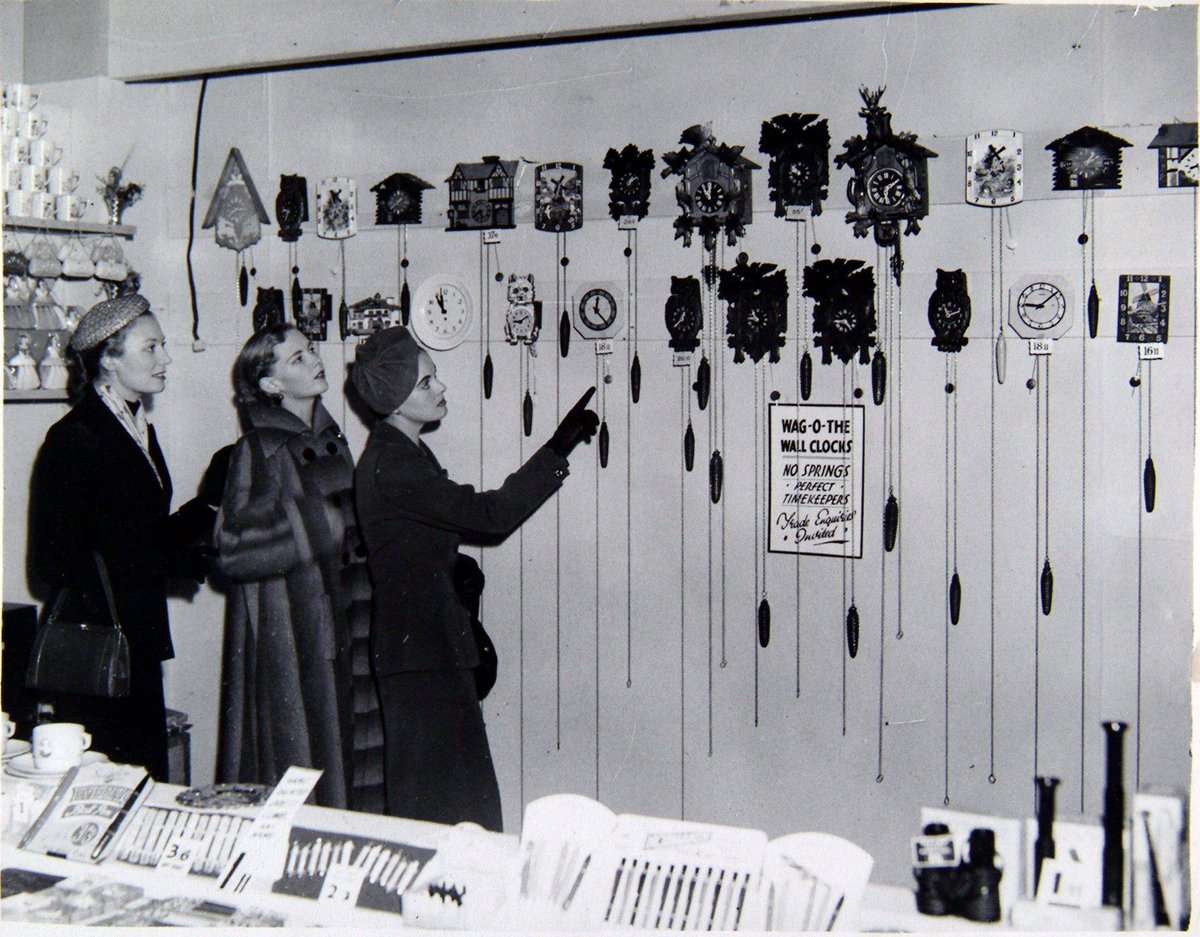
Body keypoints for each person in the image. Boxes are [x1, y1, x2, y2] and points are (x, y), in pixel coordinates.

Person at [351, 325, 598, 831]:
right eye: (424, 383)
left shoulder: (405, 452)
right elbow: (490, 515)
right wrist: (556, 450)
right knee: (442, 808)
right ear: (395, 400)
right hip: (421, 655)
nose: (440, 388)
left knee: (458, 800)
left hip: (428, 648)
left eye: (434, 377)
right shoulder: (394, 463)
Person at [27, 293, 215, 780]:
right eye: (151, 348)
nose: (165, 359)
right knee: (111, 785)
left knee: (139, 782)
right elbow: (49, 564)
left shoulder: (134, 427)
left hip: (136, 641)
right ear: (109, 359)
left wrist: (209, 506)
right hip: (97, 651)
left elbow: (140, 534)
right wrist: (162, 560)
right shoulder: (74, 438)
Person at [215, 323, 383, 811]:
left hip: (350, 627)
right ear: (270, 385)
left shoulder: (332, 437)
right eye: (296, 359)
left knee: (355, 771)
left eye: (310, 350)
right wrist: (318, 525)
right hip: (298, 636)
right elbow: (235, 547)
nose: (314, 360)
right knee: (308, 772)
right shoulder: (258, 449)